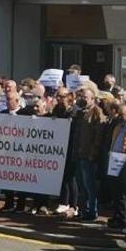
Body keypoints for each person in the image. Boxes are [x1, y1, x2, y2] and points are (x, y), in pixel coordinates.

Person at [74, 88, 107, 221]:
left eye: (85, 97)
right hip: (80, 154)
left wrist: (93, 153)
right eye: (81, 97)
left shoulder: (97, 113)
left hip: (89, 156)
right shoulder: (81, 113)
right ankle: (83, 210)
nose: (83, 99)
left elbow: (98, 137)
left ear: (93, 99)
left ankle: (92, 211)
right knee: (82, 185)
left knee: (90, 186)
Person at [53, 87, 80, 217]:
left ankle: (74, 205)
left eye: (62, 97)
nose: (59, 99)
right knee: (62, 176)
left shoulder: (76, 111)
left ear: (69, 97)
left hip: (71, 148)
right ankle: (64, 202)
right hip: (59, 148)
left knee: (71, 177)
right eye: (57, 96)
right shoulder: (57, 109)